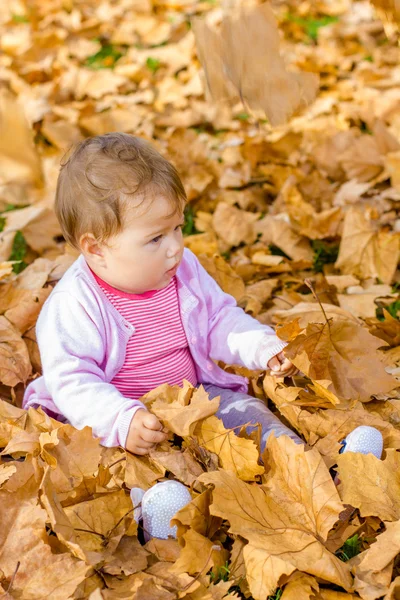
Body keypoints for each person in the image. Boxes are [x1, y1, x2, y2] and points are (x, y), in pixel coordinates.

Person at [22, 133, 382, 466]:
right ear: (96, 248)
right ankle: (156, 509)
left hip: (196, 397)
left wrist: (260, 346)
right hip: (122, 420)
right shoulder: (76, 304)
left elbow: (218, 320)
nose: (176, 246)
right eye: (155, 238)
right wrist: (119, 418)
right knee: (115, 462)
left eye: (178, 227)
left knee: (251, 415)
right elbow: (71, 380)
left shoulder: (183, 270)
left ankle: (316, 467)